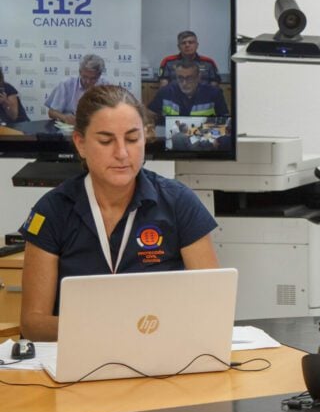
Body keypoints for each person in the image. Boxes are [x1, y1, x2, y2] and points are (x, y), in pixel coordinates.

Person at [19, 85, 220, 341]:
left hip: (161, 352)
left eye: (133, 139)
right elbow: (33, 324)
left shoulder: (178, 201)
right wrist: (113, 327)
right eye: (106, 141)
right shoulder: (52, 211)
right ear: (80, 144)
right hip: (81, 358)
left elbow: (213, 307)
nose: (122, 153)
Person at [147, 59, 229, 118]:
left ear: (198, 77)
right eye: (180, 78)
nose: (184, 83)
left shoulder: (214, 93)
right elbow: (149, 115)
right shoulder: (165, 92)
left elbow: (225, 119)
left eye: (189, 78)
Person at [44, 54, 106, 124]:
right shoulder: (66, 84)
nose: (88, 81)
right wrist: (64, 117)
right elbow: (51, 112)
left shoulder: (105, 87)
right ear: (80, 72)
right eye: (85, 77)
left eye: (93, 78)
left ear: (99, 75)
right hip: (70, 129)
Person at [157, 30, 221, 87]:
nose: (187, 45)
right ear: (179, 47)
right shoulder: (168, 62)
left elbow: (214, 88)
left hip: (202, 99)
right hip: (175, 99)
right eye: (183, 43)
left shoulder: (209, 63)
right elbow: (163, 88)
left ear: (197, 45)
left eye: (191, 42)